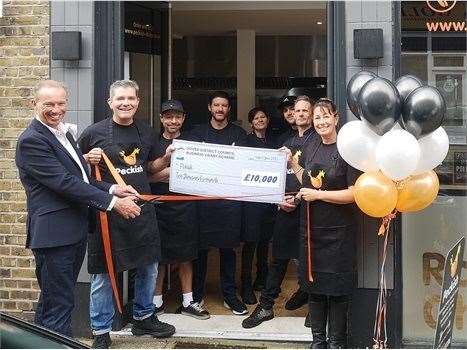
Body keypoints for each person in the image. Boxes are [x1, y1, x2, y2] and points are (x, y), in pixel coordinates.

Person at [15, 80, 141, 338]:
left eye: (61, 103)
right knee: (59, 305)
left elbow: (81, 177)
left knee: (54, 302)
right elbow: (65, 183)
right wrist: (113, 204)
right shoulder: (32, 140)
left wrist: (113, 189)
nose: (56, 109)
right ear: (34, 104)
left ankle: (41, 343)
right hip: (54, 236)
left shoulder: (63, 133)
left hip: (72, 231)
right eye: (48, 104)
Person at [78, 80, 176, 348]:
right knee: (103, 274)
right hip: (107, 213)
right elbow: (79, 176)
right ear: (110, 102)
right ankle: (100, 331)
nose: (126, 103)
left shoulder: (146, 132)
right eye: (120, 99)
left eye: (131, 98)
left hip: (142, 211)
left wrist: (165, 157)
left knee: (149, 266)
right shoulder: (93, 133)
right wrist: (89, 161)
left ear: (138, 102)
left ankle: (143, 317)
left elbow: (149, 167)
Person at [242, 95, 316, 329]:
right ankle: (266, 307)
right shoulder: (286, 141)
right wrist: (277, 200)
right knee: (279, 258)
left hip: (311, 210)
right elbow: (274, 177)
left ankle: (314, 306)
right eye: (298, 110)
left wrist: (295, 197)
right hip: (285, 209)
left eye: (306, 110)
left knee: (309, 259)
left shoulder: (318, 142)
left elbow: (316, 179)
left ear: (312, 114)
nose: (301, 114)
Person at [292, 98, 359, 348]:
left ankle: (336, 343)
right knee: (316, 289)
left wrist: (318, 195)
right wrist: (292, 164)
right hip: (311, 230)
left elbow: (354, 193)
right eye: (317, 117)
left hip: (339, 233)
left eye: (325, 116)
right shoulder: (311, 146)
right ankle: (318, 342)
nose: (321, 122)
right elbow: (306, 180)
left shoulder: (348, 150)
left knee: (338, 292)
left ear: (336, 118)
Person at [150, 99, 210, 320]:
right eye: (168, 116)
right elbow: (146, 176)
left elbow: (202, 173)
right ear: (161, 118)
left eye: (177, 116)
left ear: (183, 118)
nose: (172, 120)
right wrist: (169, 172)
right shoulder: (153, 143)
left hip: (186, 206)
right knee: (159, 255)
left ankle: (188, 301)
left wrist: (168, 173)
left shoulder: (193, 142)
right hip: (159, 205)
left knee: (186, 255)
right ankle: (156, 303)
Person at [190, 91, 248, 315]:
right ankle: (195, 296)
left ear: (228, 109)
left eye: (224, 105)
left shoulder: (239, 134)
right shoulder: (196, 134)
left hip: (229, 203)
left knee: (228, 252)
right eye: (216, 105)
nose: (220, 109)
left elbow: (243, 165)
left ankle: (230, 295)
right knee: (200, 252)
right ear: (209, 108)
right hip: (202, 204)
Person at [240, 107, 276, 304]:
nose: (260, 120)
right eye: (256, 118)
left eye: (263, 117)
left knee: (265, 242)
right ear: (251, 122)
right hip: (251, 200)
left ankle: (261, 278)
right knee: (251, 242)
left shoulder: (273, 142)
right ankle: (245, 284)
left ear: (267, 120)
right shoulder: (246, 141)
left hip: (269, 200)